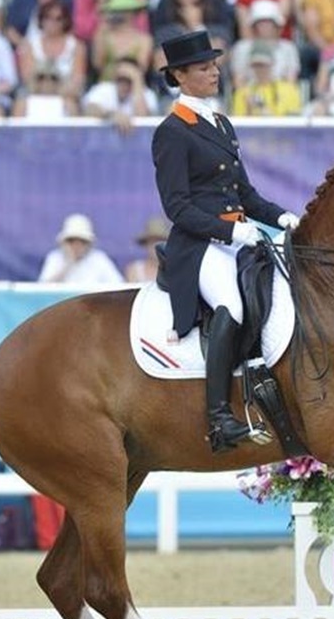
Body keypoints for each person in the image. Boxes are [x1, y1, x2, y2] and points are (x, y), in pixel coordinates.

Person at [151, 30, 299, 454]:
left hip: (238, 237)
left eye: (215, 64)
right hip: (200, 245)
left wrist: (282, 217)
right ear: (180, 76)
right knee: (230, 306)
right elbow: (177, 207)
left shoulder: (221, 123)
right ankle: (218, 417)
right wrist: (231, 231)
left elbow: (244, 195)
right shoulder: (173, 131)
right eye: (204, 67)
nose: (215, 72)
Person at [37, 213, 124, 285]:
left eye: (82, 241)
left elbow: (118, 286)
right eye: (71, 241)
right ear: (64, 243)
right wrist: (68, 265)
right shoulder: (55, 258)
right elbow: (43, 290)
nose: (76, 246)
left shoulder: (99, 259)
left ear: (89, 244)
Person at [124, 216, 170, 283]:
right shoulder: (134, 270)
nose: (156, 246)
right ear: (146, 244)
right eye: (152, 242)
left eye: (160, 241)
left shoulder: (175, 271)